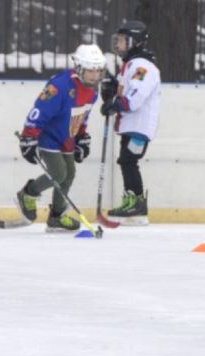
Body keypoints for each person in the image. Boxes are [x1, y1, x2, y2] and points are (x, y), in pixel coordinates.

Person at [16, 44, 104, 232]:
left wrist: (81, 137)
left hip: (67, 139)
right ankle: (28, 193)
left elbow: (82, 116)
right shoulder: (59, 86)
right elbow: (39, 111)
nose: (95, 76)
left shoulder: (93, 91)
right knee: (58, 173)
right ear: (79, 68)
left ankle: (56, 216)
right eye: (90, 71)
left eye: (98, 71)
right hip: (48, 136)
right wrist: (28, 137)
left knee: (69, 173)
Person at [100, 20, 161, 225]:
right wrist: (110, 91)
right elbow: (121, 90)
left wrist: (117, 104)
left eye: (123, 41)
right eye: (117, 40)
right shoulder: (130, 65)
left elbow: (134, 98)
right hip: (130, 125)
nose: (118, 45)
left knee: (128, 161)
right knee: (126, 161)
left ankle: (136, 204)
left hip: (139, 126)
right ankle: (132, 201)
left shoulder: (142, 67)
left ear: (134, 42)